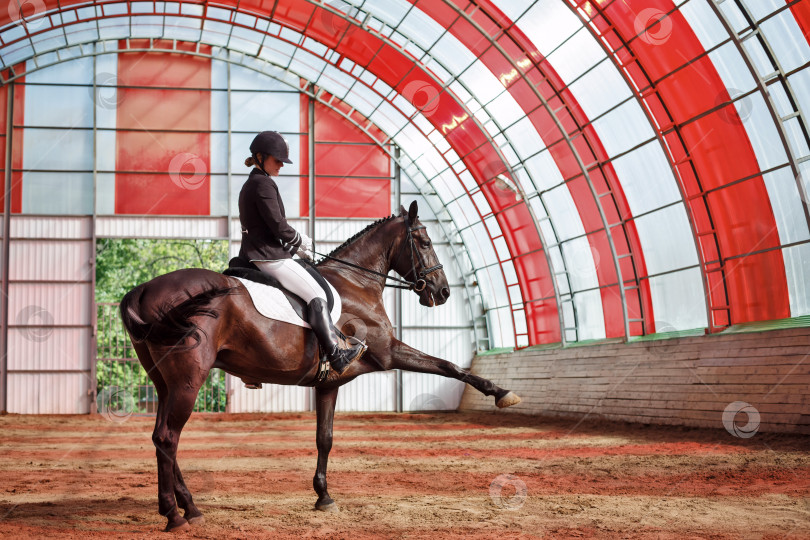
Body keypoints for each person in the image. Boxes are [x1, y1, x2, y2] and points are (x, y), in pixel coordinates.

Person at [238, 130, 366, 374]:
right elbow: (277, 225)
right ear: (260, 157)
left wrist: (294, 247)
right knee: (316, 295)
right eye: (277, 161)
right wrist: (300, 241)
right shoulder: (263, 183)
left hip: (259, 252)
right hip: (268, 256)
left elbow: (264, 227)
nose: (280, 166)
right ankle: (336, 355)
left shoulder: (252, 183)